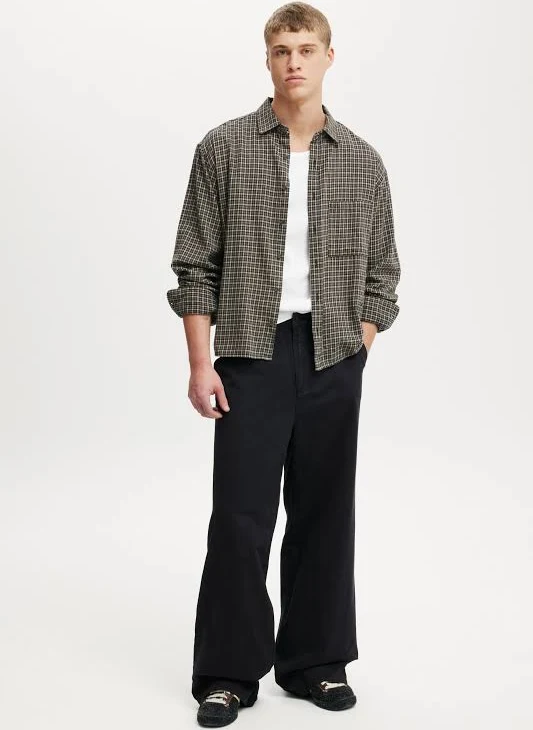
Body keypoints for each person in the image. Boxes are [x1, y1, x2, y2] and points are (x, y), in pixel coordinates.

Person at [166, 3, 401, 726]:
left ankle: (315, 664)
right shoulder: (224, 148)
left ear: (329, 56)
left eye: (305, 48)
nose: (293, 62)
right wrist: (200, 362)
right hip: (248, 354)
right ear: (266, 59)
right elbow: (194, 264)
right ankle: (227, 673)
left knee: (325, 513)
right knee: (240, 517)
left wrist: (356, 347)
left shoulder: (360, 159)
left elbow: (383, 275)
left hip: (332, 355)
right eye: (280, 50)